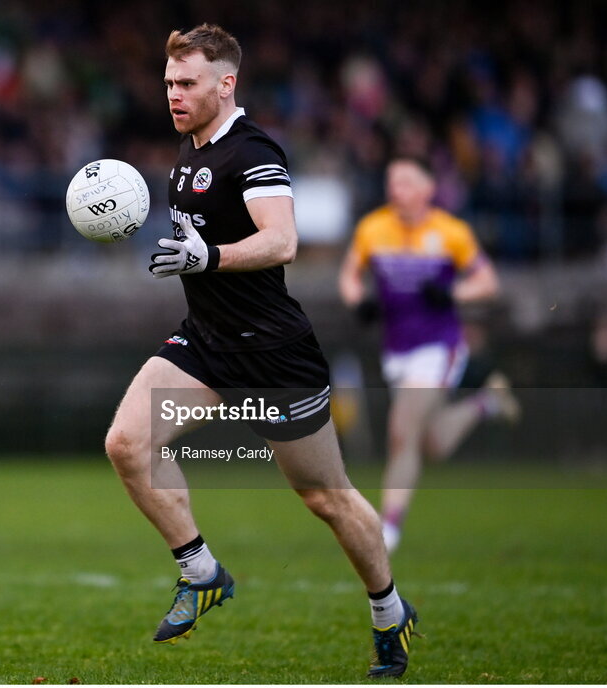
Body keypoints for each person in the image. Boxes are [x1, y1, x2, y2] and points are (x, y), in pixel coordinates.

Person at [104, 24, 417, 679]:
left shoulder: (252, 151)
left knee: (324, 496)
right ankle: (202, 572)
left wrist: (208, 255)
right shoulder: (189, 156)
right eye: (168, 83)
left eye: (187, 83)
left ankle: (390, 612)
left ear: (227, 83)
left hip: (273, 356)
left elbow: (282, 241)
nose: (174, 94)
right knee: (127, 443)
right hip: (207, 342)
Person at [338, 157, 520, 553]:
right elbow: (349, 275)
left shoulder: (450, 232)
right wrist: (359, 303)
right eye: (391, 181)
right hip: (396, 350)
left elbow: (488, 282)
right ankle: (487, 403)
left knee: (401, 431)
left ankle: (388, 530)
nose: (395, 189)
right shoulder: (374, 228)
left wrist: (453, 293)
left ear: (427, 189)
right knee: (430, 445)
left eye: (405, 181)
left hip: (439, 348)